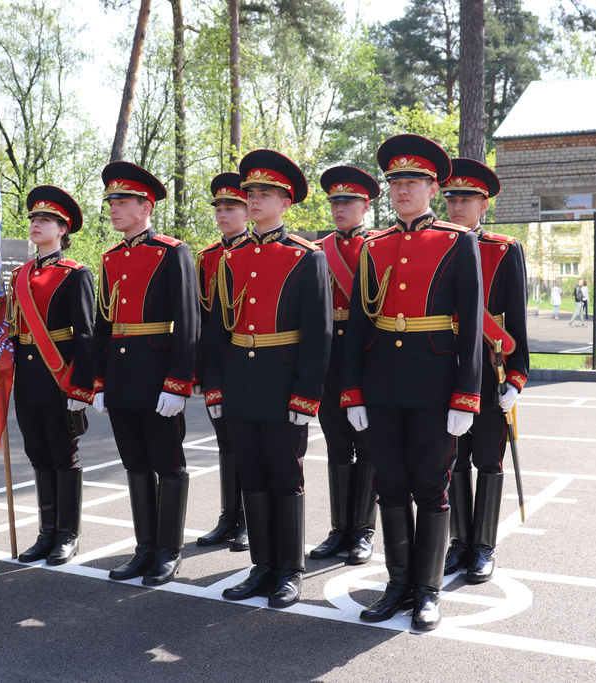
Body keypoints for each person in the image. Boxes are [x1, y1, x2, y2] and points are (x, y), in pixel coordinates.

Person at [342, 134, 482, 631]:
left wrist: (466, 395)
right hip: (382, 383)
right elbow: (359, 322)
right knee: (390, 485)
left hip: (434, 383)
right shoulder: (373, 246)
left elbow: (471, 323)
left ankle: (427, 591)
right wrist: (352, 391)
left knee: (431, 488)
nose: (402, 190)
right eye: (396, 182)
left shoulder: (457, 241)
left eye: (413, 182)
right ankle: (398, 584)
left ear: (432, 188)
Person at [204, 149, 332, 609]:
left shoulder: (305, 257)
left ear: (285, 202)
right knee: (251, 476)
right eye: (251, 193)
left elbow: (318, 335)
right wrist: (215, 385)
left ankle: (289, 570)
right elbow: (218, 331)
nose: (254, 200)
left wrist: (306, 395)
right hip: (241, 379)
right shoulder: (230, 258)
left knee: (284, 476)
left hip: (282, 382)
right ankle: (262, 566)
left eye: (265, 193)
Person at [92, 162, 199, 586]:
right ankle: (145, 549)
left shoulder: (172, 252)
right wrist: (99, 382)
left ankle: (168, 551)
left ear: (146, 206)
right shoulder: (110, 258)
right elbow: (103, 325)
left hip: (157, 377)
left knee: (167, 465)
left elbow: (188, 322)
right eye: (111, 201)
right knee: (135, 464)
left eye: (122, 201)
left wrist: (177, 383)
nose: (114, 208)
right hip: (121, 376)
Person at [442, 158, 530, 584]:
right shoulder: (436, 244)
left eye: (467, 200)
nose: (457, 207)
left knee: (488, 459)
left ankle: (483, 547)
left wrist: (516, 377)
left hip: (489, 367)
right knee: (453, 458)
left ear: (483, 205)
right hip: (444, 365)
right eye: (452, 199)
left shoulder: (503, 249)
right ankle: (459, 542)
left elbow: (517, 320)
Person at [9, 185, 95, 566]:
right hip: (28, 379)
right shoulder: (19, 276)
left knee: (63, 453)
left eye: (45, 220)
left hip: (59, 378)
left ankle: (67, 535)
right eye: (33, 219)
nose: (36, 224)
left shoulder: (75, 274)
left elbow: (86, 336)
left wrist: (80, 387)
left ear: (62, 229)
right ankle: (46, 533)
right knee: (38, 454)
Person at [309, 165, 381, 566]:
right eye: (335, 202)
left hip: (368, 355)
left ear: (365, 206)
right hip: (329, 356)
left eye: (348, 202)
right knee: (337, 444)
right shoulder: (317, 250)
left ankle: (363, 531)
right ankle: (339, 529)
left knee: (367, 446)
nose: (339, 209)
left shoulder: (379, 246)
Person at [194, 172, 251, 552]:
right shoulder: (208, 257)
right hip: (219, 364)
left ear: (248, 212)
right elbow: (202, 320)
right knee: (226, 443)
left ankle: (248, 518)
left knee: (249, 444)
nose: (223, 215)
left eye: (231, 208)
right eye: (219, 208)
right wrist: (200, 372)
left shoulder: (257, 252)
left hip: (252, 359)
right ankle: (228, 516)